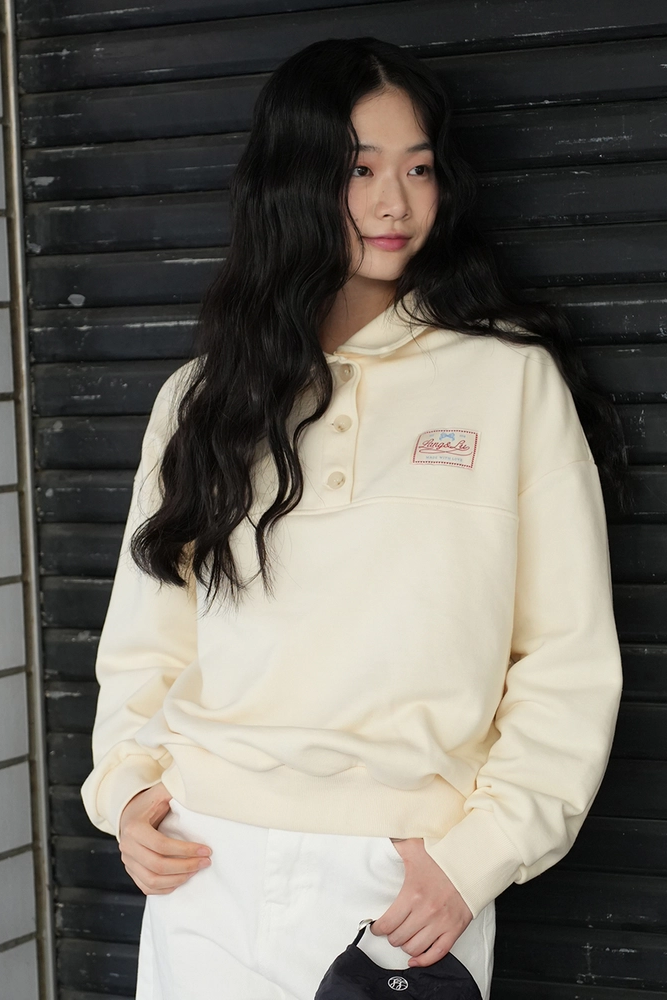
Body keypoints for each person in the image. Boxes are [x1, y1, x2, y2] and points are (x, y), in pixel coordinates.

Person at [81, 35, 628, 1000]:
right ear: (293, 183)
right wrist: (128, 795)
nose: (395, 204)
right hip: (203, 859)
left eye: (419, 169)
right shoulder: (202, 398)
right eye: (360, 170)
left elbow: (566, 657)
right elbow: (146, 641)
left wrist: (479, 855)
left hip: (401, 881)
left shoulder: (508, 381)